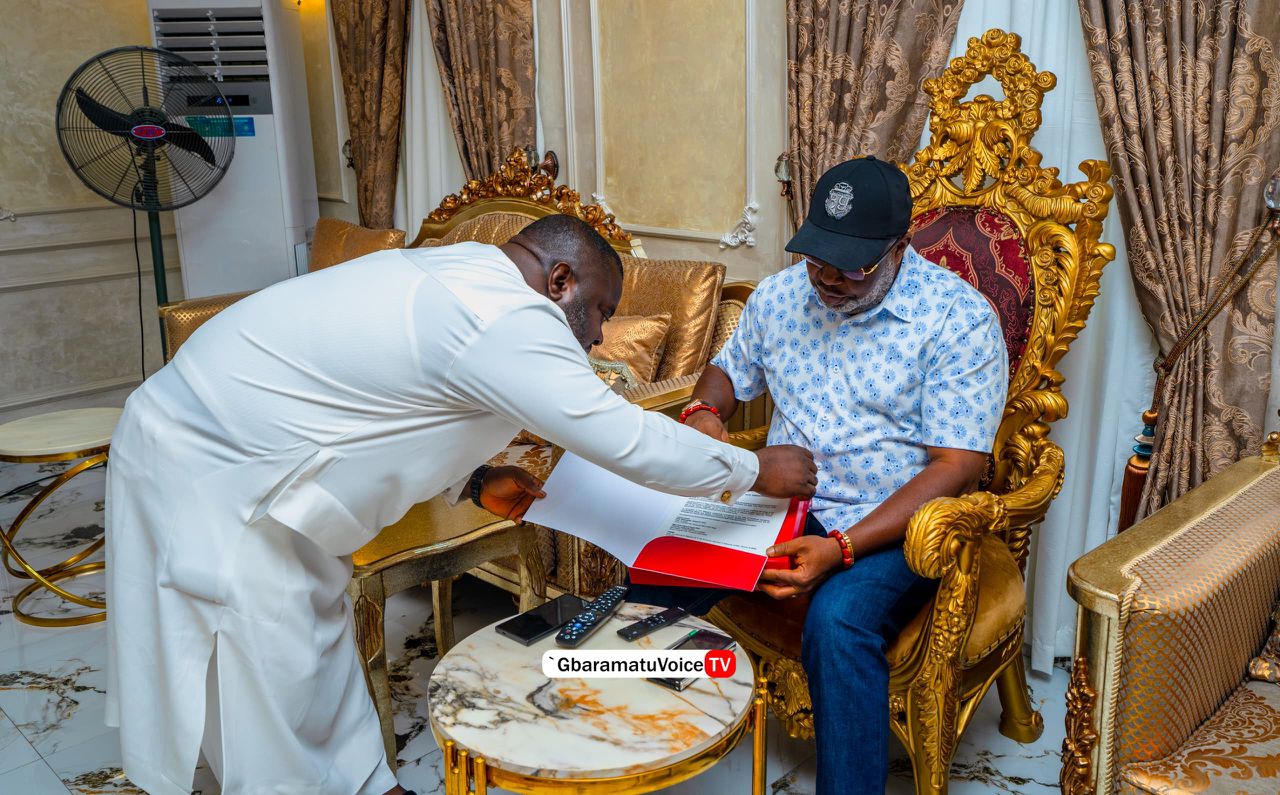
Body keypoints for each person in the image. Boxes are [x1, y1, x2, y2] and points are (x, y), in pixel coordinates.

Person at [104, 214, 817, 795]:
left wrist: (474, 481)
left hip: (240, 447)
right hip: (213, 460)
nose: (600, 333)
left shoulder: (469, 273)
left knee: (311, 634)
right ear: (560, 280)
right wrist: (752, 467)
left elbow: (405, 401)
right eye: (601, 309)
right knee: (268, 660)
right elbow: (624, 438)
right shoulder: (507, 316)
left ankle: (363, 783)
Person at [650, 157, 1008, 794]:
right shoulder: (780, 296)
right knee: (658, 564)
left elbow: (959, 465)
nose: (828, 278)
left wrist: (841, 547)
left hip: (892, 522)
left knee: (838, 623)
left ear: (899, 246)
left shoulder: (957, 319)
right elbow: (727, 371)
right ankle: (627, 744)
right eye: (818, 256)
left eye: (851, 264)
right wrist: (703, 412)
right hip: (781, 503)